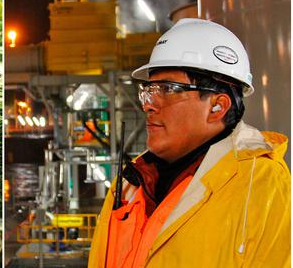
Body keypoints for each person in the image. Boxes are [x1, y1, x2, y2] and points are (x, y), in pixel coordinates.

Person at [88, 18, 290, 267]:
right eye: (149, 91)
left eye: (168, 89)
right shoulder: (131, 183)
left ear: (217, 106)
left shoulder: (260, 185)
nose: (149, 105)